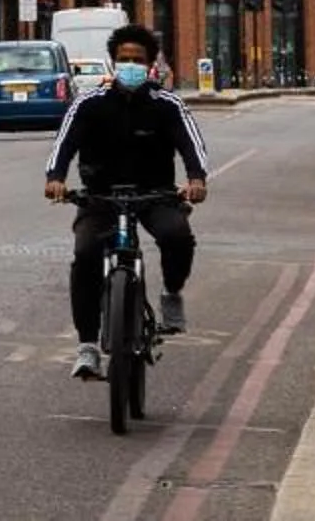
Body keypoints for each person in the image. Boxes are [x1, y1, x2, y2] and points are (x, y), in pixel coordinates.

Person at [45, 22, 210, 380]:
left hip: (155, 194)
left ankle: (171, 293)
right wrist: (55, 178)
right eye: (123, 59)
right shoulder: (89, 104)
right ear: (113, 62)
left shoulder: (167, 105)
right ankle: (88, 346)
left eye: (137, 60)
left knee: (177, 237)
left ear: (150, 65)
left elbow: (190, 144)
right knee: (86, 254)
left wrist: (196, 179)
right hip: (100, 197)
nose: (129, 65)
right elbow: (64, 144)